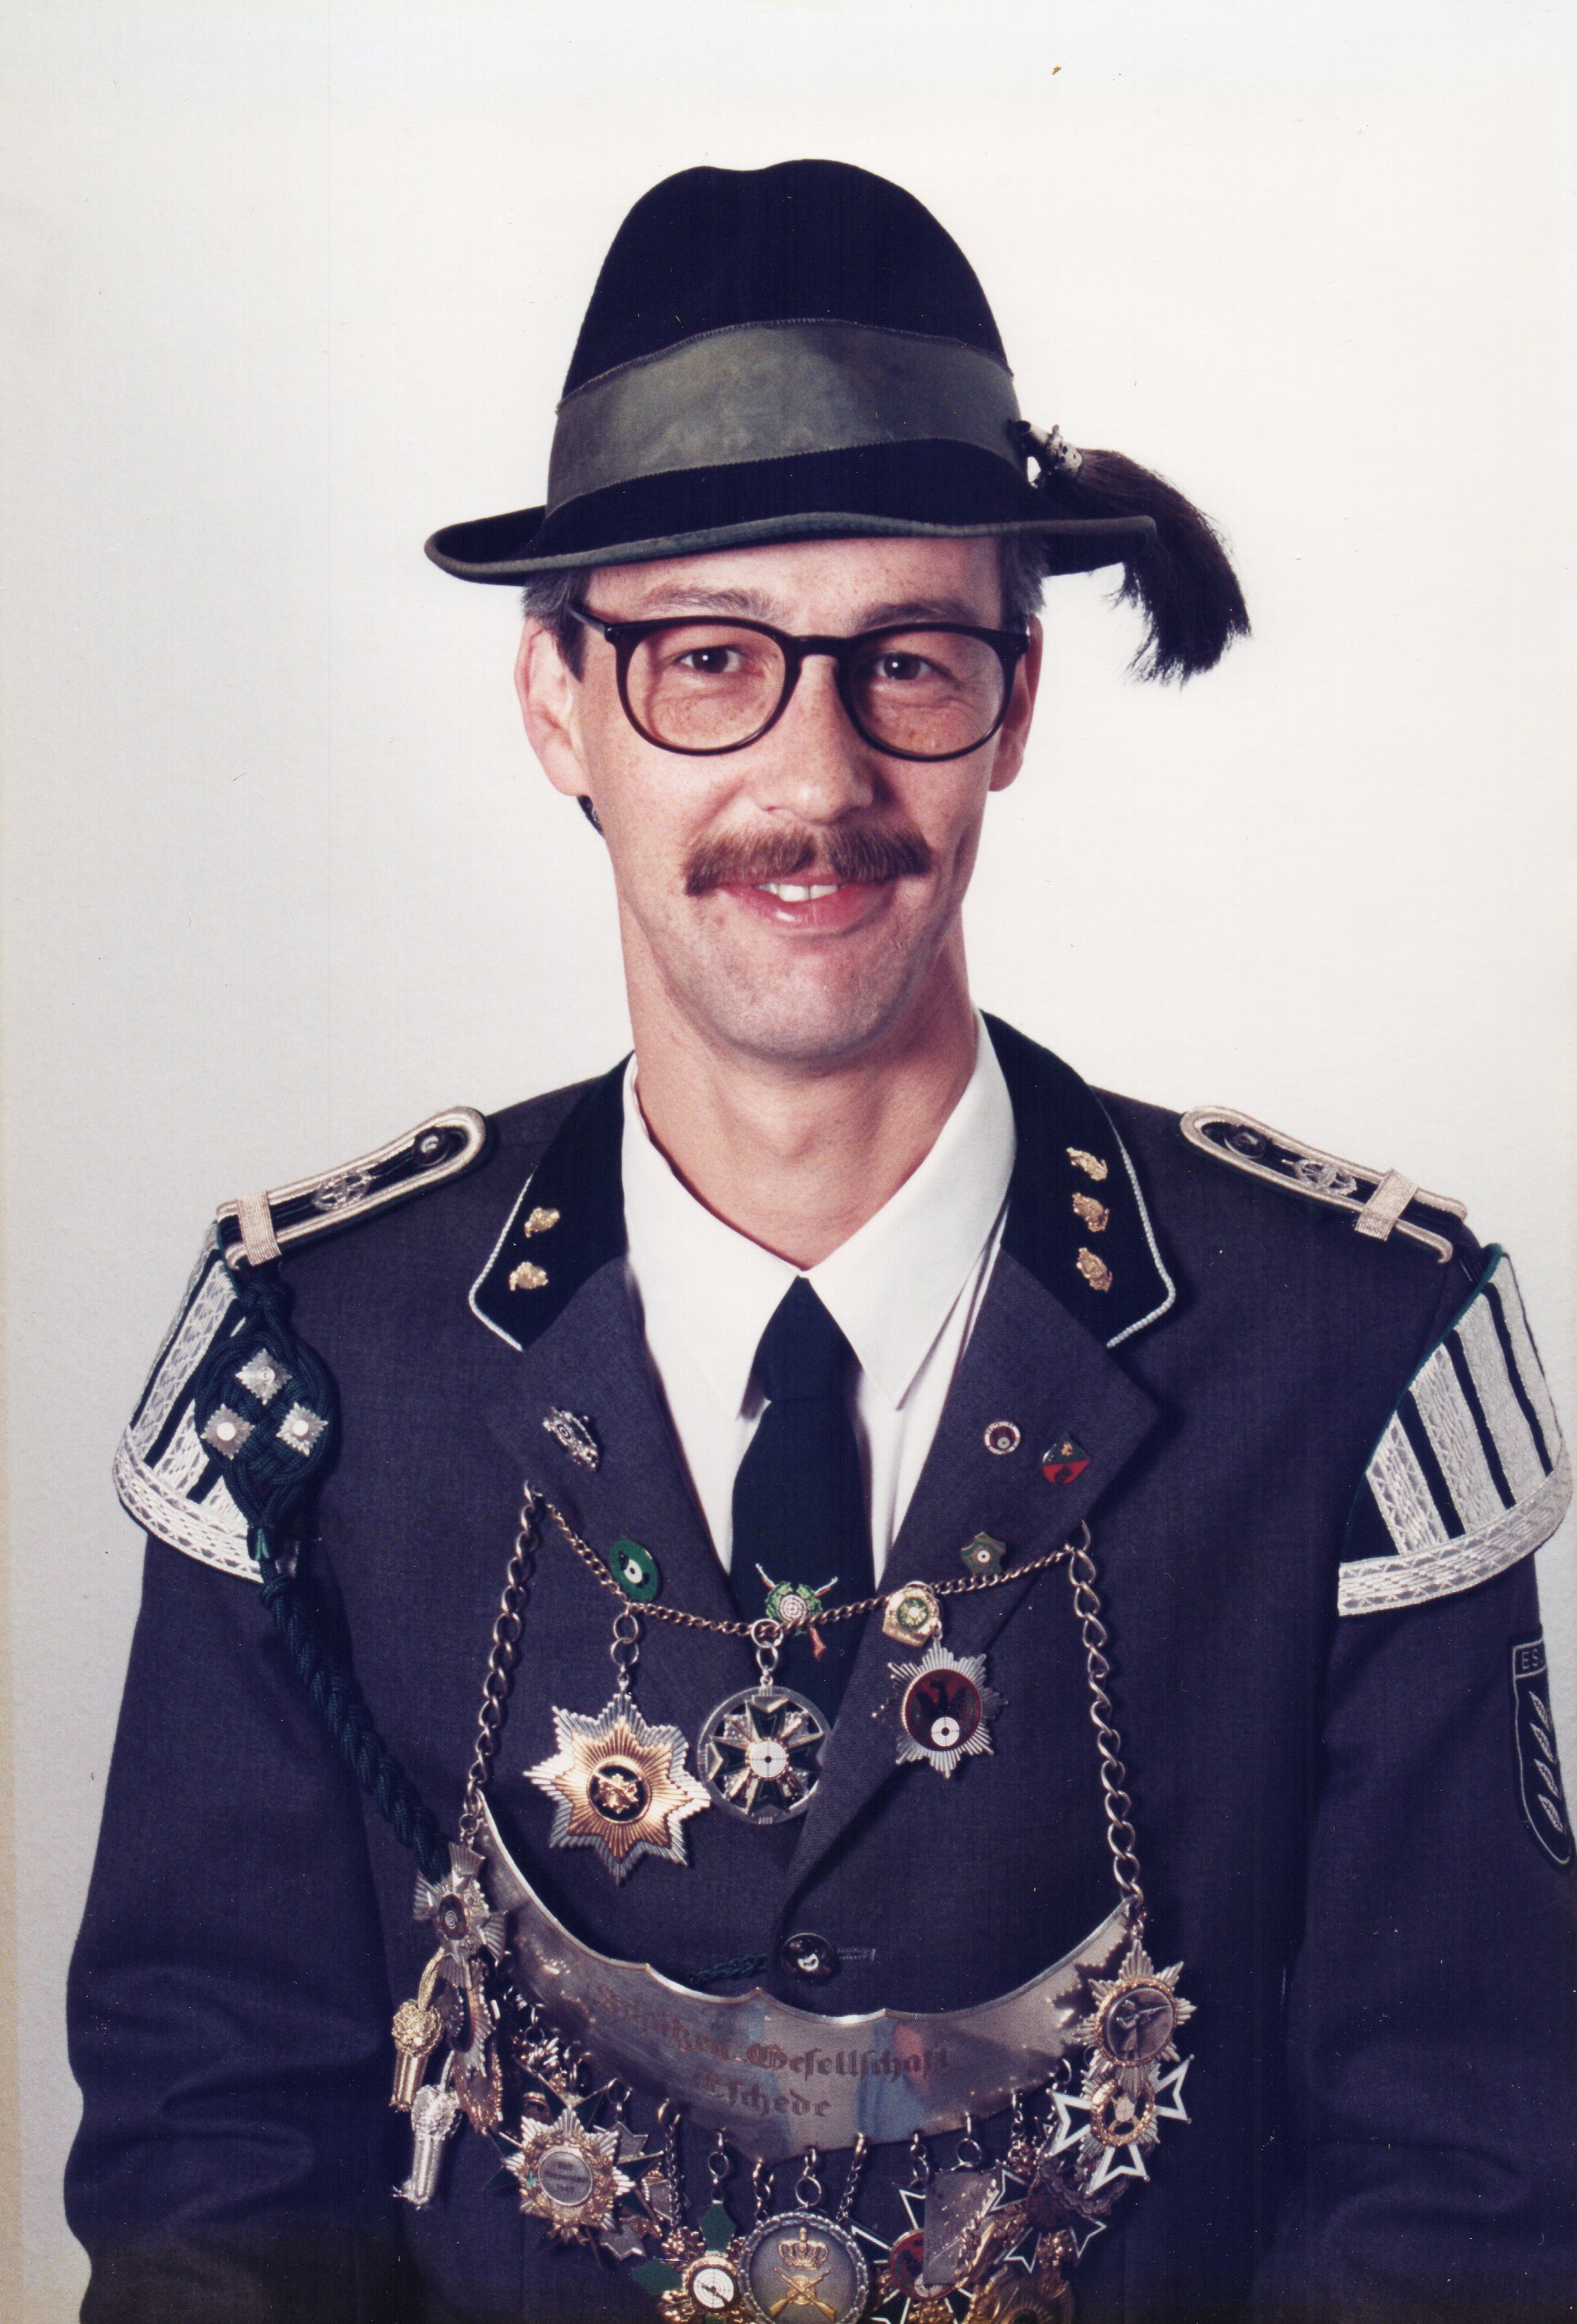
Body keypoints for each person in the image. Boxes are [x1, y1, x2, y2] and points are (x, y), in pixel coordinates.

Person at [65, 161, 1574, 2324]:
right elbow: (219, 2174)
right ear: (556, 702)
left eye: (908, 662)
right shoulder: (312, 1366)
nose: (815, 777)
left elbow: (1465, 2200)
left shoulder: (1355, 1348)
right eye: (707, 660)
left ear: (1018, 702)